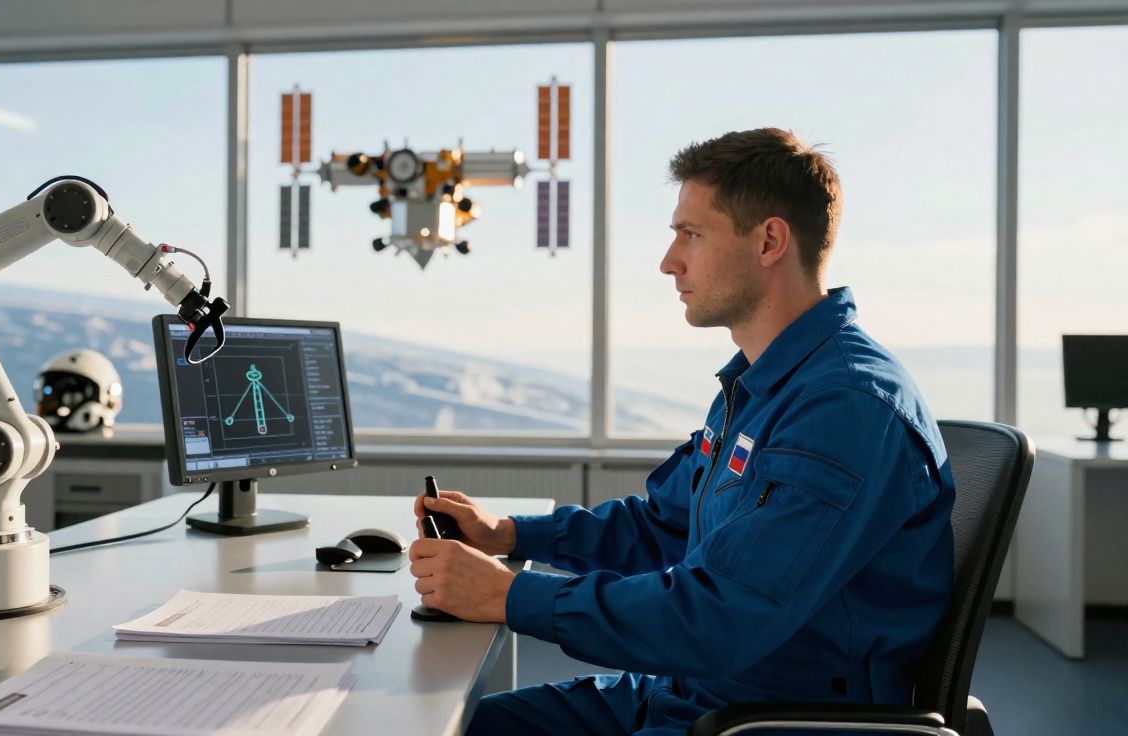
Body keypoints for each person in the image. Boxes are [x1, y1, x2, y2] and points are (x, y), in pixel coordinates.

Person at [408, 128, 956, 735]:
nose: (669, 261)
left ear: (770, 241)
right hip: (690, 693)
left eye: (691, 234)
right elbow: (664, 526)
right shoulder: (760, 387)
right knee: (445, 726)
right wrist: (507, 534)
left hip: (766, 719)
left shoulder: (846, 409)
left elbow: (719, 618)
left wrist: (508, 597)